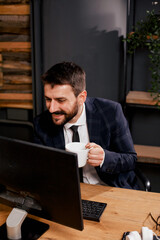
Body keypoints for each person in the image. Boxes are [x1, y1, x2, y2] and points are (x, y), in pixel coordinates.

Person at [33, 61, 139, 189]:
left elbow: (131, 160)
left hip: (110, 189)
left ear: (82, 97)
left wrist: (105, 158)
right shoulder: (41, 123)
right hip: (67, 191)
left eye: (61, 100)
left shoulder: (110, 112)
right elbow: (39, 170)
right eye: (48, 99)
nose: (52, 109)